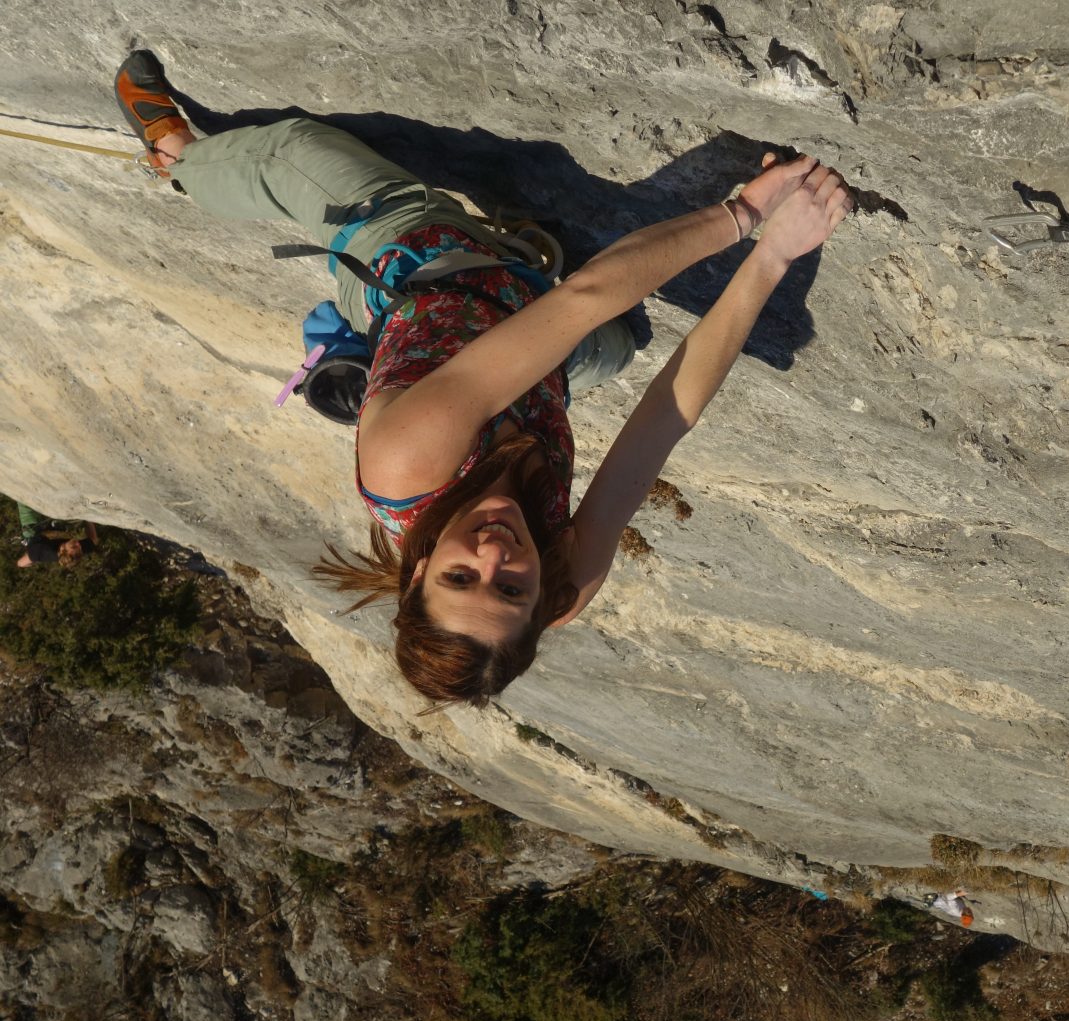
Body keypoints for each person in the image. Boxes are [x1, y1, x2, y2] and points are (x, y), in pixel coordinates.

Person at [114, 51, 852, 704]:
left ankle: (175, 157)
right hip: (538, 353)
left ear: (417, 572)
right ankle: (506, 272)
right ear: (541, 605)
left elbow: (588, 294)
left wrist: (746, 212)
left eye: (461, 578)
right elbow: (666, 415)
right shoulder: (564, 581)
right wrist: (771, 261)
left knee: (290, 154)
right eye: (511, 588)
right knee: (619, 346)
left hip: (415, 261)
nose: (497, 556)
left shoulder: (408, 464)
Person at [14, 502, 96, 569]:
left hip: (33, 532)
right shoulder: (77, 551)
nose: (78, 544)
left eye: (74, 546)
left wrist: (30, 561)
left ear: (62, 550)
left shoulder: (43, 551)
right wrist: (88, 519)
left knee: (24, 501)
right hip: (51, 529)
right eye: (79, 547)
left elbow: (20, 563)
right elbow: (93, 540)